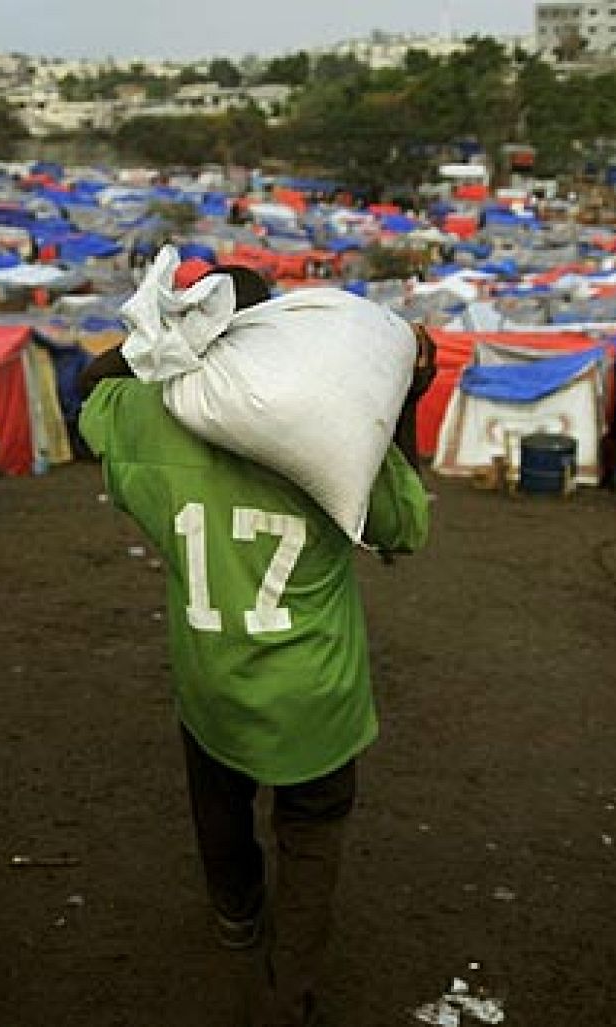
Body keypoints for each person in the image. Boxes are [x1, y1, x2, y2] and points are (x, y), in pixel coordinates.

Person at [78, 265, 434, 1026]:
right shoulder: (327, 436)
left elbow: (89, 391)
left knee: (219, 801)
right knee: (312, 833)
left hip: (210, 672)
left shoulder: (143, 418)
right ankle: (290, 990)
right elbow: (406, 526)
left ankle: (237, 912)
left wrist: (153, 340)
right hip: (318, 693)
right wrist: (404, 405)